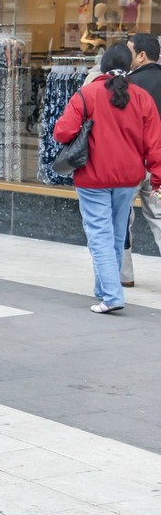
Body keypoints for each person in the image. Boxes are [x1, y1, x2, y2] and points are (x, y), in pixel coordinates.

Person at [54, 42, 161, 313]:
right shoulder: (141, 98)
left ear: (102, 66)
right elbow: (155, 144)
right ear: (129, 66)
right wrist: (158, 178)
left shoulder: (86, 94)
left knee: (99, 235)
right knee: (114, 235)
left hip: (93, 177)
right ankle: (103, 290)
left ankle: (112, 296)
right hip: (129, 178)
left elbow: (62, 133)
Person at [119, 33, 161, 287]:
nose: (127, 57)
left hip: (132, 163)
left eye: (130, 52)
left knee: (123, 216)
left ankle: (124, 276)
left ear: (142, 55)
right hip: (160, 165)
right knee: (159, 215)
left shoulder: (127, 85)